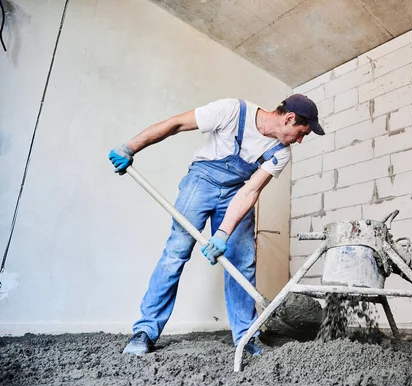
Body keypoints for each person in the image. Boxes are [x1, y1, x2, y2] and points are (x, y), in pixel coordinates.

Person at [108, 94, 324, 356]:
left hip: (237, 193)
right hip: (201, 182)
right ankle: (145, 331)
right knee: (176, 253)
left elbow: (250, 192)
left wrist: (223, 234)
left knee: (241, 262)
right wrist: (130, 147)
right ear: (289, 118)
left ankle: (246, 337)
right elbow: (175, 124)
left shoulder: (281, 152)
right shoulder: (232, 111)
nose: (300, 140)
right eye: (302, 133)